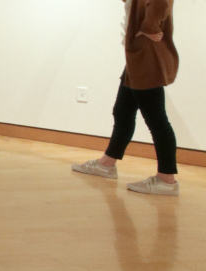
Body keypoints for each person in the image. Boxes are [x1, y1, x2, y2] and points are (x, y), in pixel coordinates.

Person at [73, 0, 179, 196]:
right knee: (122, 111)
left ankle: (167, 179)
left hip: (146, 56)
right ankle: (107, 163)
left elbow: (161, 3)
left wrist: (148, 28)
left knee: (157, 120)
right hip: (136, 56)